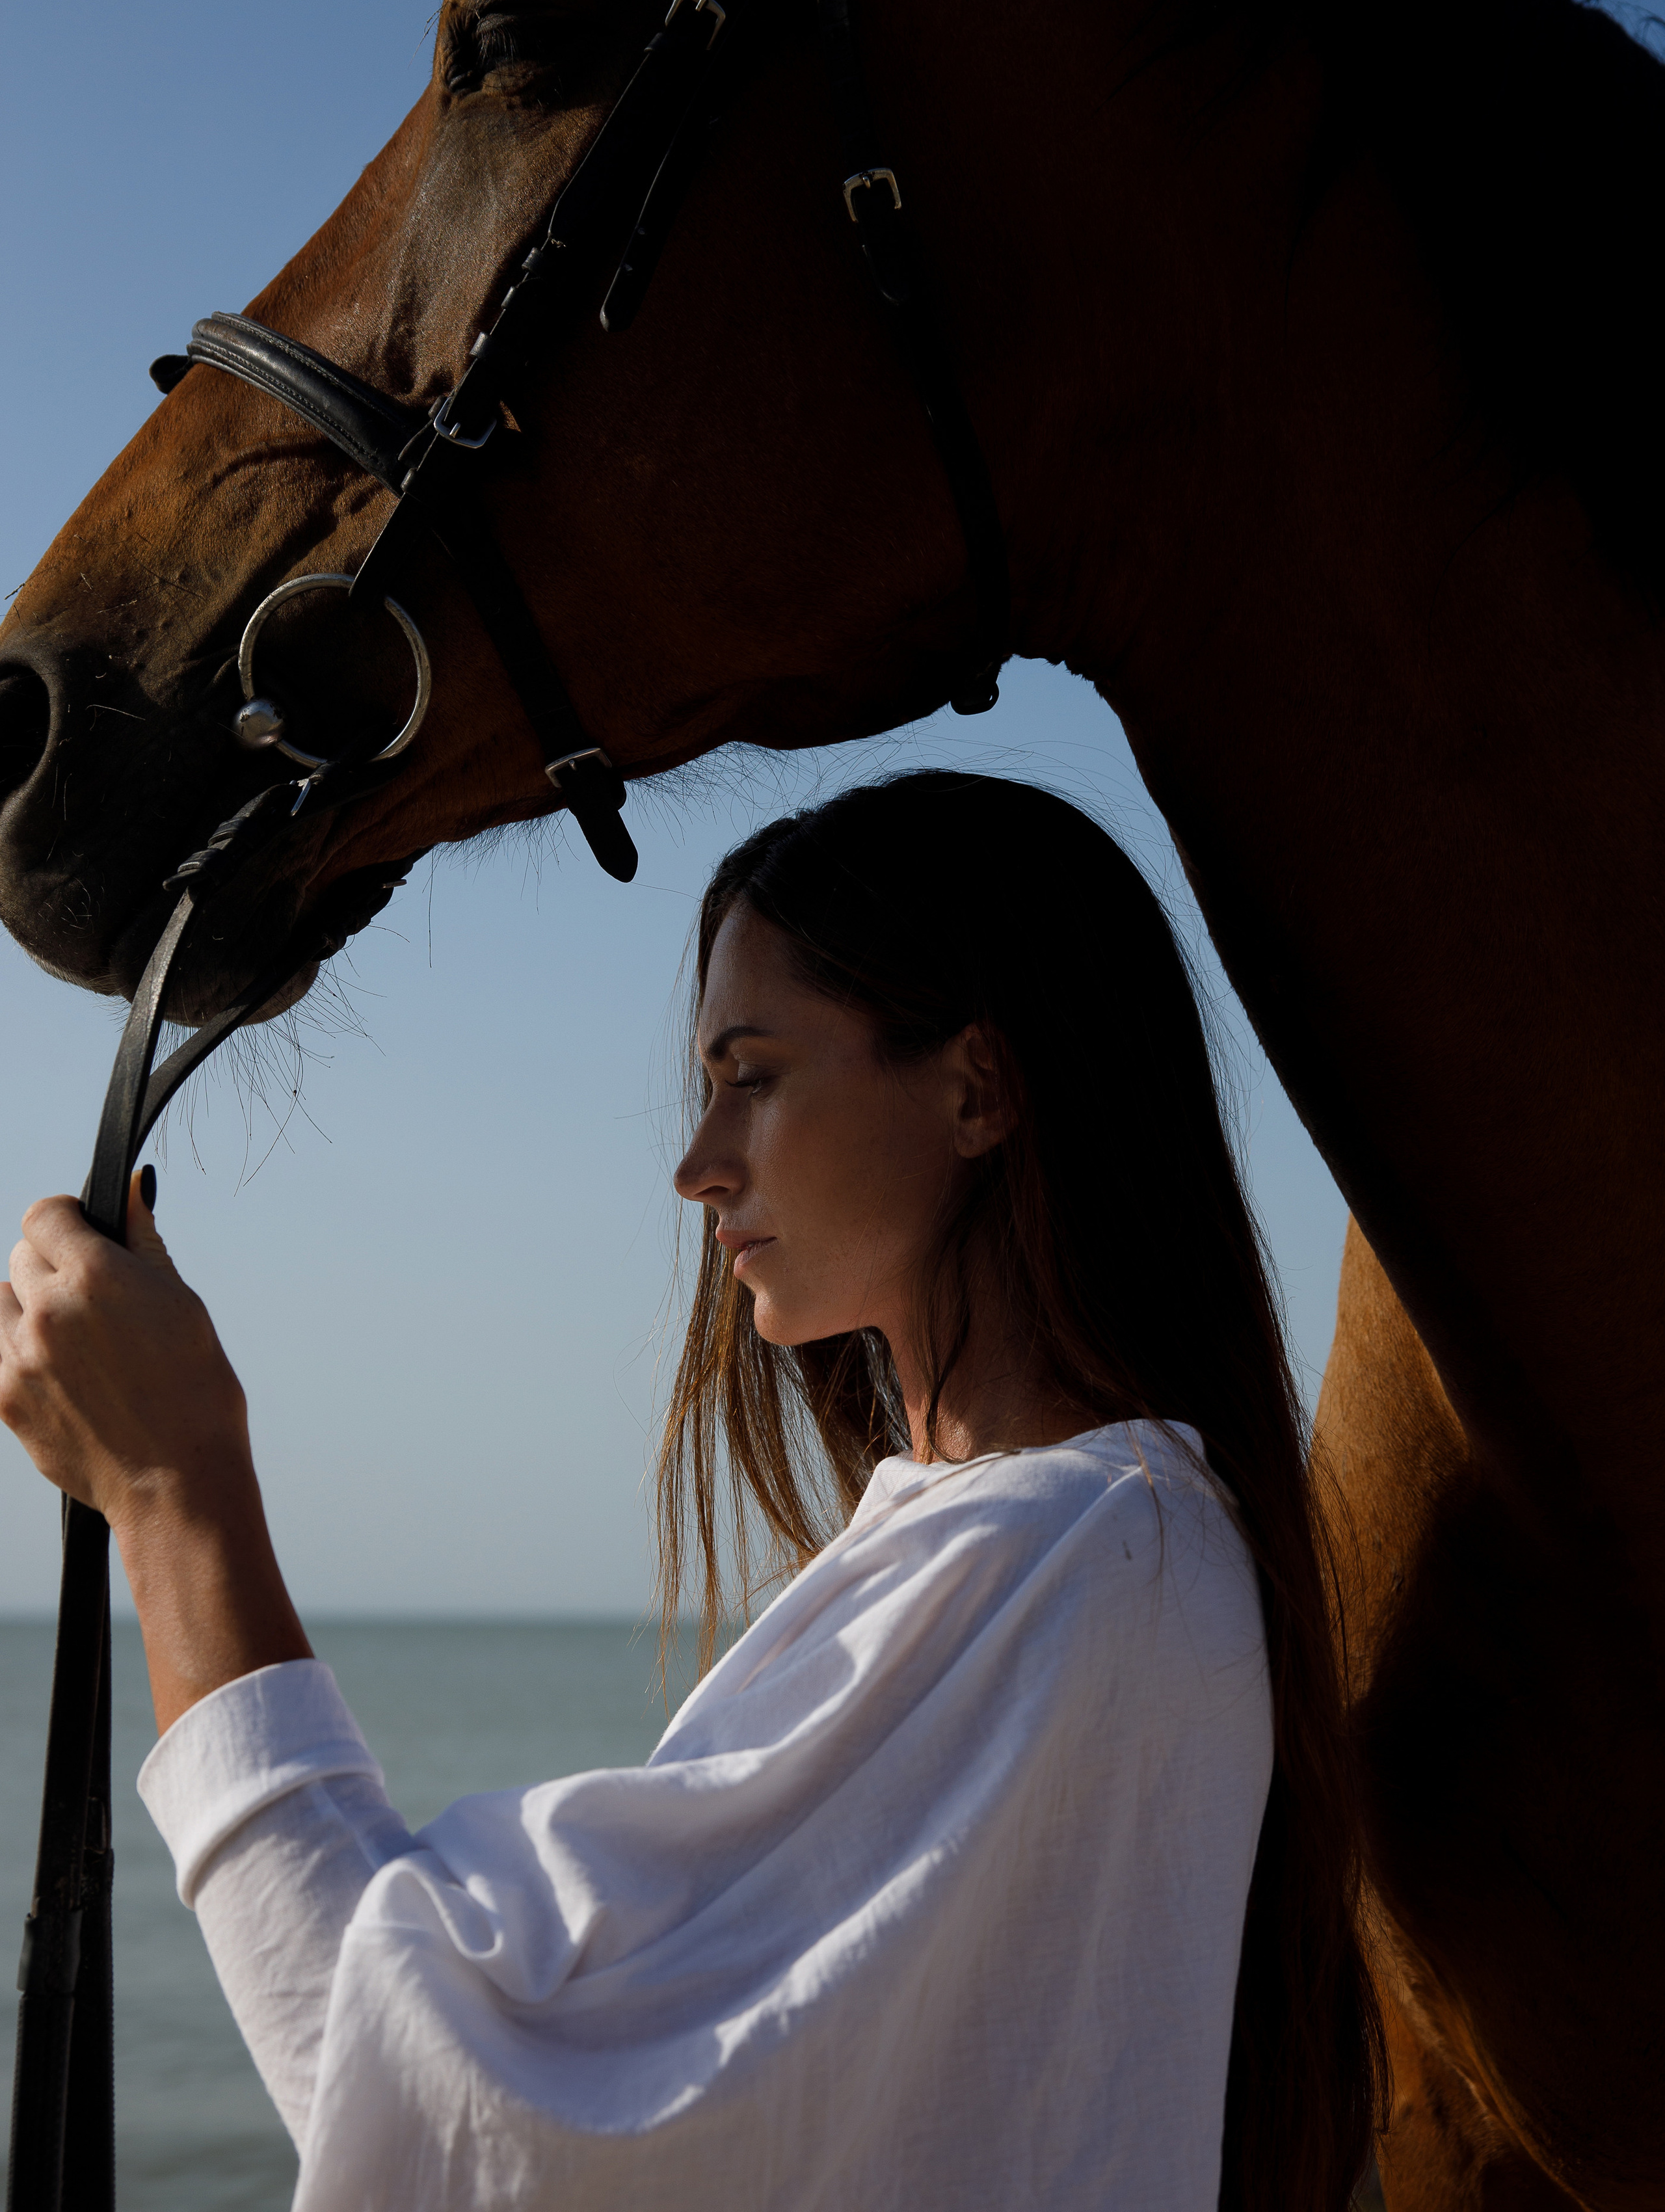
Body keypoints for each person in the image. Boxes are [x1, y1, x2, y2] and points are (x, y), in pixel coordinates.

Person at [0, 770, 1381, 2210]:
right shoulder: (1086, 1546)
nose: (695, 1165)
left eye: (754, 1076)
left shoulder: (1081, 1555)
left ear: (976, 1088)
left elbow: (460, 2099)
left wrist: (173, 1495)